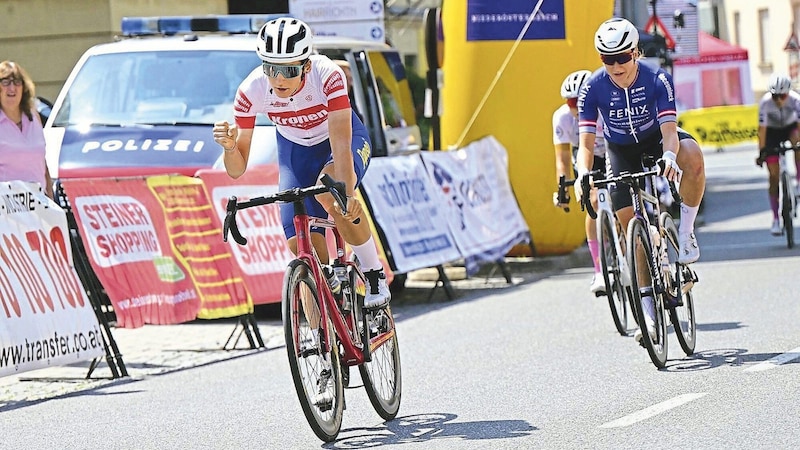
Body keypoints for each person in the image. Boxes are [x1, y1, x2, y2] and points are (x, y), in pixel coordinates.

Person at [212, 17, 391, 310]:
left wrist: (346, 195)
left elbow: (341, 144)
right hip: (296, 154)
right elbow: (236, 168)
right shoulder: (251, 90)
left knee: (328, 193)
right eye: (271, 69)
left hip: (341, 143)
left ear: (306, 66)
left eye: (288, 70)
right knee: (301, 248)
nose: (279, 79)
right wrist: (230, 147)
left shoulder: (327, 75)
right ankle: (322, 341)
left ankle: (374, 275)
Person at [574, 18, 706, 343]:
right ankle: (647, 307)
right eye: (608, 59)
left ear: (636, 52)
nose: (616, 65)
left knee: (693, 155)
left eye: (622, 57)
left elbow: (670, 133)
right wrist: (581, 175)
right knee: (633, 231)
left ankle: (686, 234)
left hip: (658, 141)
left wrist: (671, 158)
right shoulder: (593, 88)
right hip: (621, 151)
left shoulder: (658, 78)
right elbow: (585, 145)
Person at [552, 69, 608, 296]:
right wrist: (562, 188)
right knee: (593, 200)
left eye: (579, 101)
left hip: (613, 150)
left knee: (622, 197)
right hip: (588, 156)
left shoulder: (604, 107)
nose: (575, 107)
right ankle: (599, 270)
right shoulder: (562, 117)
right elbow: (563, 159)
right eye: (570, 102)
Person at [0, 61, 53, 199]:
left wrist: (52, 202)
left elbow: (42, 164)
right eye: (5, 82)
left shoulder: (34, 117)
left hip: (40, 206)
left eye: (17, 82)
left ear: (24, 87)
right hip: (7, 211)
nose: (12, 88)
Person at [756, 73, 800, 235]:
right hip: (772, 134)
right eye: (775, 96)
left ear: (788, 93)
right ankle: (775, 218)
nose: (779, 100)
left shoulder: (796, 100)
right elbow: (762, 131)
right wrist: (762, 152)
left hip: (790, 129)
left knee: (797, 141)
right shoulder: (766, 103)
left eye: (782, 96)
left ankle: (798, 180)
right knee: (773, 176)